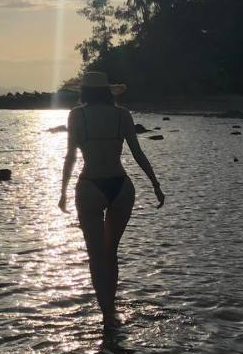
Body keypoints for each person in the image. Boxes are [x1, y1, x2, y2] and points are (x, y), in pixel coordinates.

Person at [58, 71, 164, 327]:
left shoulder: (77, 115)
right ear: (107, 91)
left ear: (85, 92)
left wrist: (63, 192)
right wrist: (155, 184)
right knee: (110, 252)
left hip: (90, 185)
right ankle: (112, 308)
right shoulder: (122, 114)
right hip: (121, 186)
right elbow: (137, 152)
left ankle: (106, 314)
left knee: (96, 256)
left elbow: (71, 155)